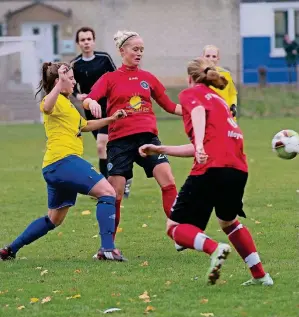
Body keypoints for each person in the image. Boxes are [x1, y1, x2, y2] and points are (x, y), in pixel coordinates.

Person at [139, 57, 273, 286]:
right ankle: (261, 276)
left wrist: (200, 144)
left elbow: (198, 113)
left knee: (174, 227)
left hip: (212, 168)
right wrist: (160, 149)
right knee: (228, 221)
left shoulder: (192, 95)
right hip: (238, 169)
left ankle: (215, 248)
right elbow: (205, 142)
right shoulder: (220, 101)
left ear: (190, 78)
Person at [0, 62, 127, 262]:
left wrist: (111, 119)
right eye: (71, 79)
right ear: (59, 81)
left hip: (55, 167)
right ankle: (107, 249)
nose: (74, 82)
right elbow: (47, 107)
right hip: (63, 161)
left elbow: (84, 125)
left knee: (54, 219)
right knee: (108, 192)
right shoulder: (52, 100)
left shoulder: (67, 104)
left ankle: (10, 249)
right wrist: (59, 82)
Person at [83, 30, 181, 240]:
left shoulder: (148, 78)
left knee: (168, 180)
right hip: (119, 142)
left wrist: (201, 110)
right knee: (114, 194)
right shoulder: (110, 78)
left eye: (142, 50)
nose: (139, 54)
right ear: (122, 51)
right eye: (135, 49)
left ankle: (179, 233)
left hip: (148, 139)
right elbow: (90, 98)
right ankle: (108, 245)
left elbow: (171, 106)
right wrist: (91, 102)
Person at [72, 26, 133, 198]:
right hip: (91, 110)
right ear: (78, 43)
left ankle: (106, 188)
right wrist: (79, 95)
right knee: (107, 148)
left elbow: (116, 77)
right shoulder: (75, 64)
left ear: (93, 40)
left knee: (101, 145)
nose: (86, 43)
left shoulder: (104, 58)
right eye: (82, 40)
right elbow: (71, 86)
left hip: (108, 106)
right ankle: (123, 179)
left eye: (89, 39)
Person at [202, 45, 238, 119]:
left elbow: (232, 94)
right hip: (207, 117)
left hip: (226, 116)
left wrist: (233, 105)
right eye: (207, 56)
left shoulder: (226, 74)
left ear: (218, 58)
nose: (210, 59)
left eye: (214, 56)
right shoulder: (199, 76)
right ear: (202, 57)